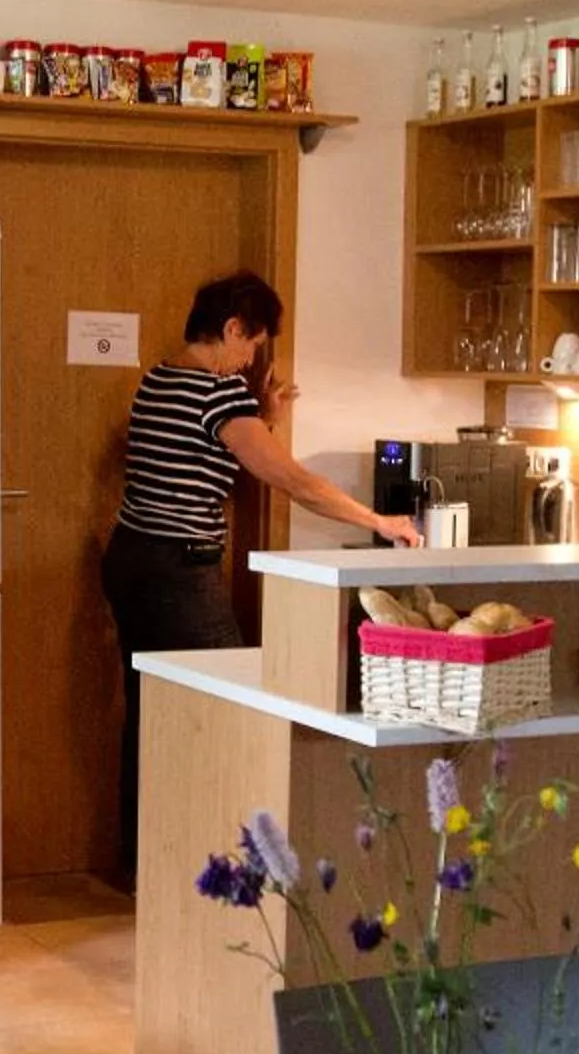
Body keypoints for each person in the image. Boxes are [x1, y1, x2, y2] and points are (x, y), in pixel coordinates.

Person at [99, 271, 419, 883]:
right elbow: (294, 481)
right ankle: (214, 867)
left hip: (131, 558)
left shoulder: (158, 379)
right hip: (180, 573)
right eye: (252, 344)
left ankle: (147, 865)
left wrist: (262, 418)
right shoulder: (221, 396)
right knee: (230, 712)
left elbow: (203, 454)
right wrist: (380, 520)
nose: (251, 360)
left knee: (154, 713)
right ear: (231, 328)